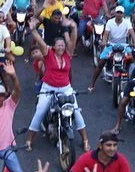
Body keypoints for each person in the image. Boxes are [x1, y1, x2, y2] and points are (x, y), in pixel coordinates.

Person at [25, 18, 89, 152]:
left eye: (63, 45)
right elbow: (40, 41)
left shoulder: (68, 54)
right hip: (48, 87)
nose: (61, 47)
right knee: (40, 112)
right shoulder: (48, 53)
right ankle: (29, 140)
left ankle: (85, 140)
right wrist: (32, 29)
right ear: (53, 46)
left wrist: (73, 26)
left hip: (65, 88)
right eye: (58, 45)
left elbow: (73, 39)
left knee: (76, 112)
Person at [87, 7, 135, 92]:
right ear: (115, 13)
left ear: (123, 14)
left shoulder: (127, 22)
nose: (119, 14)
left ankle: (129, 75)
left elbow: (132, 33)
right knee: (101, 62)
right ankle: (92, 83)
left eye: (121, 13)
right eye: (118, 12)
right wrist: (104, 42)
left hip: (124, 45)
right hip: (111, 45)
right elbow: (105, 35)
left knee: (132, 59)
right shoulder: (110, 22)